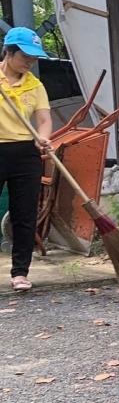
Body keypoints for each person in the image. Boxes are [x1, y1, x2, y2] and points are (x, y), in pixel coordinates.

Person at [0, 27, 53, 292]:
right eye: (25, 56)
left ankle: (20, 272)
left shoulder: (35, 85)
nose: (29, 62)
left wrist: (43, 137)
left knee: (25, 213)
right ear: (8, 52)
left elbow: (44, 120)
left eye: (33, 58)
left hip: (25, 153)